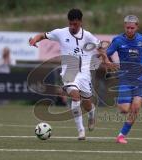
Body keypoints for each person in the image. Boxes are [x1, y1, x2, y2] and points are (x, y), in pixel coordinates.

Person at [29, 8, 99, 140]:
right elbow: (42, 35)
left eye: (75, 24)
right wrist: (34, 40)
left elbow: (100, 47)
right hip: (69, 72)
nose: (72, 27)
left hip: (84, 74)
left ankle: (91, 115)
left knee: (87, 103)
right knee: (75, 96)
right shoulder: (60, 33)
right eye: (70, 24)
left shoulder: (88, 36)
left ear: (81, 22)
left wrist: (105, 59)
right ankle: (81, 131)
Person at [102, 15, 142, 144]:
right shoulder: (118, 41)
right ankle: (128, 100)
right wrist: (106, 62)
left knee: (136, 107)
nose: (130, 30)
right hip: (125, 78)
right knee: (124, 109)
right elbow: (105, 54)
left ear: (137, 27)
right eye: (127, 28)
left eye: (132, 28)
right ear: (124, 27)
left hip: (141, 77)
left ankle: (121, 135)